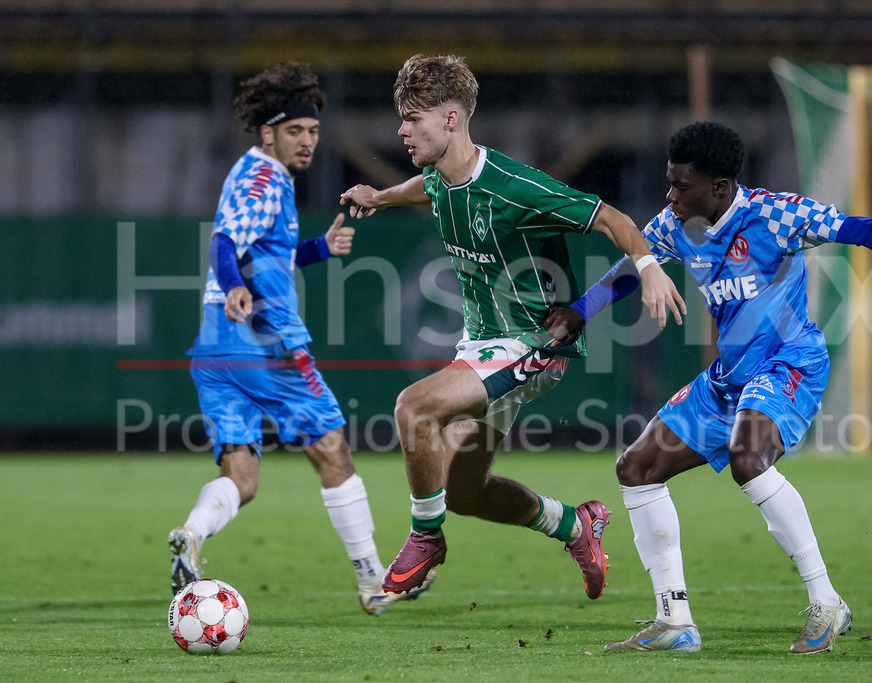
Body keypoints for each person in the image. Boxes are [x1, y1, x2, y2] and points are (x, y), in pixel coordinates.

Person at [544, 121, 872, 653]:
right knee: (636, 469)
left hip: (789, 363)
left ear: (720, 188)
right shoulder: (674, 224)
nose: (670, 195)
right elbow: (631, 270)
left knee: (747, 458)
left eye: (681, 186)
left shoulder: (777, 215)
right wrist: (581, 312)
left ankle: (827, 602)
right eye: (669, 182)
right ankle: (674, 621)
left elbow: (857, 229)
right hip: (729, 378)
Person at [339, 54, 685, 599]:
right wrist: (379, 198)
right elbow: (424, 188)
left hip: (535, 343)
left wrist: (648, 269)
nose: (402, 130)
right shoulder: (438, 177)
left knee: (413, 408)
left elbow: (611, 219)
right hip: (483, 347)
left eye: (414, 118)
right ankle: (575, 524)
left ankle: (424, 537)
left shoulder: (514, 187)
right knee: (464, 492)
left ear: (451, 119)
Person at [169, 61, 431, 616]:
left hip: (215, 350)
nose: (307, 141)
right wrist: (237, 286)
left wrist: (317, 249)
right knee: (334, 453)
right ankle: (373, 582)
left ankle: (192, 535)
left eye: (312, 131)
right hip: (265, 344)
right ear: (269, 133)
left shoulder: (253, 175)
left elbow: (265, 249)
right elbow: (225, 240)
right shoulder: (265, 177)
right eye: (295, 131)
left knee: (242, 477)